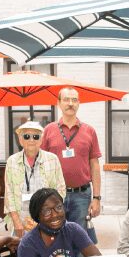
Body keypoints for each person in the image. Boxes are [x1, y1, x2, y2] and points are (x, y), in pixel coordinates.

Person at [41, 88, 102, 243]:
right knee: (53, 236)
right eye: (66, 100)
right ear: (58, 103)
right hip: (54, 196)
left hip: (81, 195)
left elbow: (94, 165)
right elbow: (40, 164)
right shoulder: (49, 130)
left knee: (79, 239)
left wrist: (96, 198)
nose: (70, 103)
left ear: (79, 103)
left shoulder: (89, 131)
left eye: (74, 100)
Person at [5, 120, 66, 237]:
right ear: (20, 140)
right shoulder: (12, 161)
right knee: (22, 252)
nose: (31, 140)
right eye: (26, 136)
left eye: (36, 136)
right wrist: (17, 222)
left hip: (47, 217)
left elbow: (61, 190)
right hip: (20, 218)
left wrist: (51, 215)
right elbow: (9, 194)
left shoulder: (52, 159)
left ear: (41, 140)